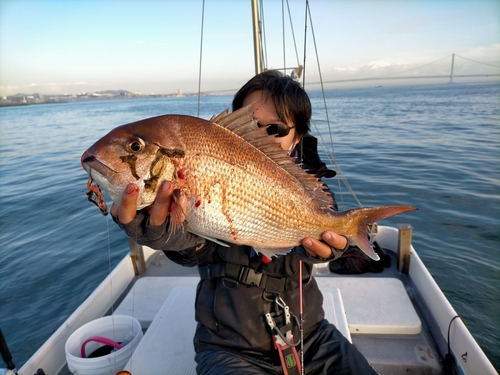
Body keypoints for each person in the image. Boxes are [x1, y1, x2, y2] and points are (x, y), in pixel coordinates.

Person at [111, 70, 379, 374]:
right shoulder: (206, 172)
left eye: (276, 129)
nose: (261, 137)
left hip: (311, 335)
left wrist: (333, 249)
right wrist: (168, 235)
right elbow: (196, 246)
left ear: (297, 138)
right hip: (228, 346)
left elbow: (327, 233)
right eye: (250, 125)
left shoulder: (312, 189)